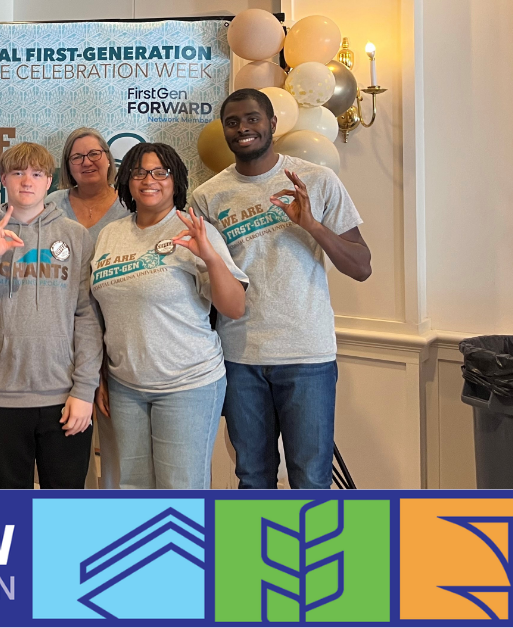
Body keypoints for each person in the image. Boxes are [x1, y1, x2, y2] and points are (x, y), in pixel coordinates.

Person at [190, 88, 372, 489]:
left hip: (307, 355)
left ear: (272, 124)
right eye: (233, 123)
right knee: (253, 477)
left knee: (311, 478)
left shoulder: (317, 180)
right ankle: (256, 554)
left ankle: (316, 554)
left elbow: (361, 267)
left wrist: (313, 226)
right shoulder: (207, 197)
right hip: (240, 358)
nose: (243, 129)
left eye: (252, 119)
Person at [0, 142, 103, 489]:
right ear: (3, 178)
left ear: (50, 181)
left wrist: (85, 390)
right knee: (10, 504)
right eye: (17, 172)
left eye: (36, 173)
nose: (26, 181)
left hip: (63, 396)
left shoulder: (76, 237)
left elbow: (87, 317)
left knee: (62, 510)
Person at [91, 143, 248, 489]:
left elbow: (235, 307)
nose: (150, 180)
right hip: (125, 386)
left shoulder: (194, 229)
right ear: (127, 181)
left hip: (187, 384)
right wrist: (101, 374)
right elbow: (101, 314)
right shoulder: (109, 235)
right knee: (133, 487)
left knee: (181, 490)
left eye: (161, 172)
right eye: (139, 172)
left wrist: (209, 255)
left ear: (175, 180)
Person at [47, 127, 129, 489]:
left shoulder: (133, 204)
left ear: (109, 160)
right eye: (77, 157)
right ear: (67, 166)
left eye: (95, 153)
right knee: (65, 457)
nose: (87, 162)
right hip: (64, 345)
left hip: (122, 343)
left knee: (121, 456)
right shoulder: (49, 206)